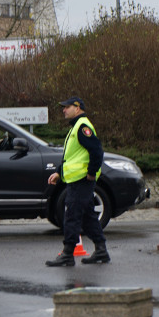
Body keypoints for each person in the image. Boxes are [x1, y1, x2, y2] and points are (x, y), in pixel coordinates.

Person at [45, 96, 110, 267]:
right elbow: (72, 157)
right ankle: (101, 250)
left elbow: (97, 152)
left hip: (81, 180)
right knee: (88, 216)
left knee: (71, 216)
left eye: (67, 107)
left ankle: (67, 254)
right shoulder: (76, 127)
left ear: (78, 108)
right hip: (77, 179)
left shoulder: (82, 127)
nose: (63, 110)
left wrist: (91, 173)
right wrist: (59, 173)